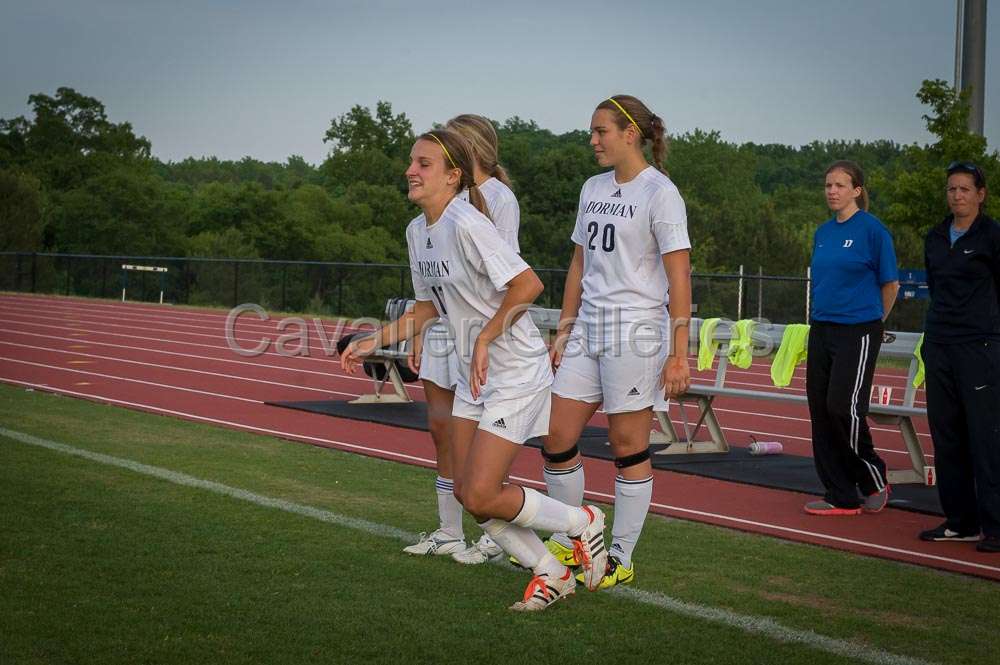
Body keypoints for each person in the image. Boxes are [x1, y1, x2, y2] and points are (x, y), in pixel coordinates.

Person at [341, 128, 608, 610]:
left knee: (484, 491)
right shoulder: (415, 232)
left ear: (452, 175)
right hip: (475, 376)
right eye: (411, 162)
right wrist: (372, 341)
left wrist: (485, 337)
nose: (411, 170)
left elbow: (528, 285)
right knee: (469, 492)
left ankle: (582, 523)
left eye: (423, 163)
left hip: (516, 371)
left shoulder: (467, 222)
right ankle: (550, 572)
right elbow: (426, 310)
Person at [539, 95, 692, 590]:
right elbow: (580, 264)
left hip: (636, 331)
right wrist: (564, 328)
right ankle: (575, 534)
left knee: (628, 447)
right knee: (557, 436)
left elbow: (680, 277)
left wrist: (678, 352)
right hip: (588, 327)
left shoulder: (660, 193)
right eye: (592, 131)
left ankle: (621, 556)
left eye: (601, 131)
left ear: (631, 133)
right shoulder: (592, 187)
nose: (593, 140)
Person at [402, 114, 521, 565]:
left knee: (482, 434)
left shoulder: (496, 199)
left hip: (480, 331)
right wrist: (418, 330)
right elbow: (430, 288)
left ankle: (494, 532)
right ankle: (449, 530)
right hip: (442, 327)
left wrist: (486, 337)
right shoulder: (427, 213)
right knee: (442, 429)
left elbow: (504, 278)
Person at [804, 160, 899, 516]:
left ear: (856, 190)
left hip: (858, 330)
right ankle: (839, 494)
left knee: (844, 409)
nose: (832, 191)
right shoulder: (823, 233)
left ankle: (873, 476)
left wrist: (873, 324)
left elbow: (890, 285)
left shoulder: (873, 231)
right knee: (820, 411)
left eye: (840, 185)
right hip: (822, 329)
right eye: (828, 185)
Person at [919, 161, 1000, 553]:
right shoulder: (935, 236)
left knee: (984, 436)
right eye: (952, 189)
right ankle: (960, 521)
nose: (957, 196)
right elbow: (935, 285)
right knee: (946, 434)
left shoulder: (993, 236)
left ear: (980, 194)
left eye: (965, 189)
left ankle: (995, 525)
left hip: (980, 346)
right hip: (939, 344)